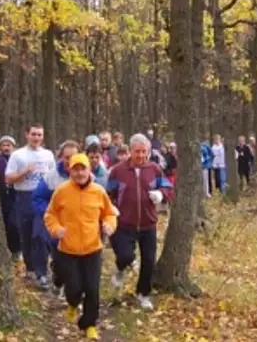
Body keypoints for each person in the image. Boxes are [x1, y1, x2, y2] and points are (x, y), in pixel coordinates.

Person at [45, 153, 117, 340]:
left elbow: (110, 214)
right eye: (75, 169)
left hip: (93, 248)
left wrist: (109, 225)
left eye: (82, 169)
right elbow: (50, 215)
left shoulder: (98, 191)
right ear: (70, 171)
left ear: (89, 170)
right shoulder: (61, 191)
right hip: (68, 250)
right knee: (74, 289)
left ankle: (89, 323)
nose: (79, 173)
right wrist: (56, 229)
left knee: (92, 288)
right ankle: (72, 303)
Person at [107, 134, 174, 311]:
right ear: (130, 151)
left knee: (149, 261)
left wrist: (161, 194)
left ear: (149, 151)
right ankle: (120, 268)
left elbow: (167, 186)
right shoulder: (118, 170)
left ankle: (143, 293)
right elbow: (108, 194)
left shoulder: (154, 169)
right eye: (137, 151)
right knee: (125, 256)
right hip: (124, 223)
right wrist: (111, 208)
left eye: (144, 151)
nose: (141, 155)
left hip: (148, 223)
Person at [5, 123, 56, 288]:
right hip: (24, 197)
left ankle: (42, 273)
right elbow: (8, 179)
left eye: (39, 135)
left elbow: (54, 176)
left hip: (43, 198)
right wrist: (25, 172)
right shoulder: (18, 155)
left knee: (40, 235)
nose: (36, 138)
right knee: (26, 236)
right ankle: (31, 269)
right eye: (34, 134)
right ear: (27, 135)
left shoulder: (48, 155)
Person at [32, 140, 80, 292]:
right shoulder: (51, 177)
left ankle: (73, 291)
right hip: (58, 227)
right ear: (61, 158)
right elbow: (38, 199)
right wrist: (52, 212)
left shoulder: (85, 175)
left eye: (73, 157)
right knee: (59, 260)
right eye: (67, 157)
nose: (70, 161)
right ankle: (57, 279)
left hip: (79, 226)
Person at [0, 136, 22, 261]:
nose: (6, 148)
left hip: (15, 194)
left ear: (13, 147)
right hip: (1, 195)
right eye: (3, 145)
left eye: (8, 145)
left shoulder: (18, 159)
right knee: (2, 223)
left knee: (13, 223)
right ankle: (5, 251)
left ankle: (16, 250)